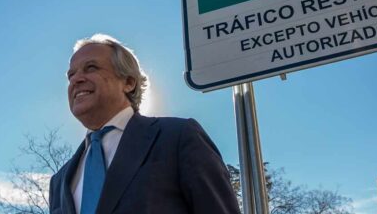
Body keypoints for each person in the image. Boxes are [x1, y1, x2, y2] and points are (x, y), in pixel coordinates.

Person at [48, 34, 241, 214]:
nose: (76, 80)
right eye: (71, 75)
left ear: (129, 82)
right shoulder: (59, 180)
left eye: (91, 68)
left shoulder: (178, 137)